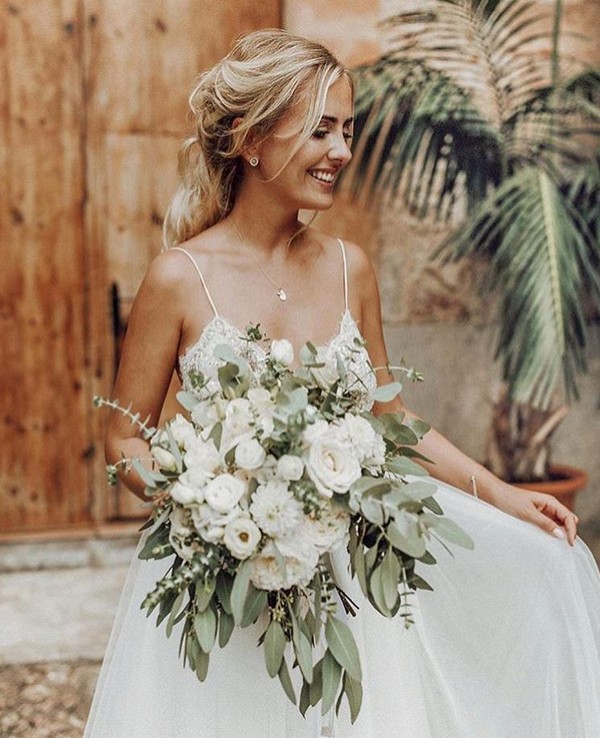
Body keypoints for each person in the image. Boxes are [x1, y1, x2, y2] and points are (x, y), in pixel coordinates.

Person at [84, 29, 600, 738]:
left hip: (350, 588)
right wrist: (203, 502)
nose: (343, 153)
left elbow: (391, 422)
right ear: (252, 138)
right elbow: (124, 436)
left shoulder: (351, 267)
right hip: (229, 585)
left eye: (348, 131)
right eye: (322, 130)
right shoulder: (179, 278)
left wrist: (510, 499)